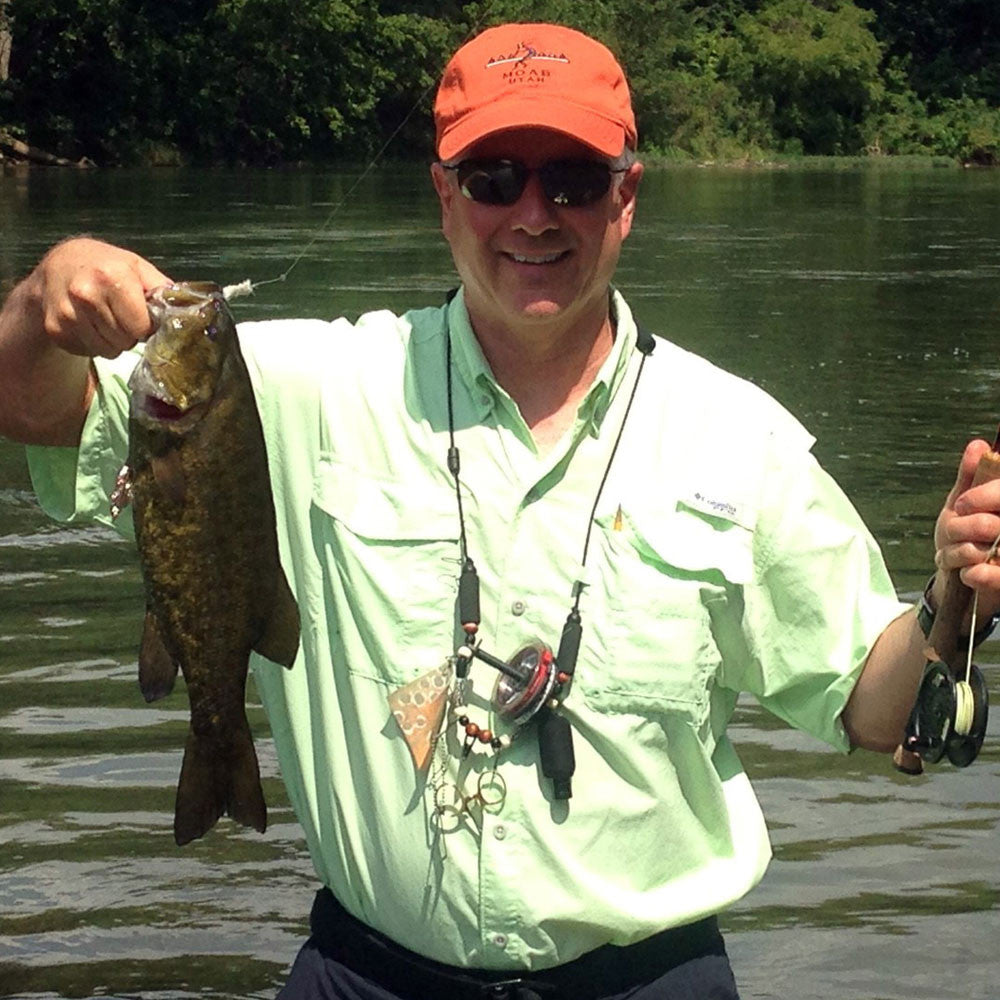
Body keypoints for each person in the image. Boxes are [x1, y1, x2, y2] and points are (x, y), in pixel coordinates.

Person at [0, 21, 998, 1000]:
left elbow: (869, 703)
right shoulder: (282, 388)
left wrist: (947, 600)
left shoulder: (739, 437)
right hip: (365, 971)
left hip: (650, 980)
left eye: (570, 178)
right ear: (443, 195)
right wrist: (45, 300)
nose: (533, 214)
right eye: (493, 179)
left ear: (626, 196)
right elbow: (34, 408)